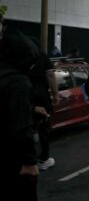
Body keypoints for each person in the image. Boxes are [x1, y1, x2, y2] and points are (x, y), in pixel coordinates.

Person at [0, 30, 72, 201]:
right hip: (10, 161)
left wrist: (30, 109)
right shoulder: (17, 82)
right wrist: (30, 162)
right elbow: (20, 128)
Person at [27, 38, 59, 171]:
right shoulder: (42, 57)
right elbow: (51, 76)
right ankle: (43, 159)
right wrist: (55, 94)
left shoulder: (19, 58)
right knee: (43, 128)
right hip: (40, 95)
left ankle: (25, 157)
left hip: (23, 93)